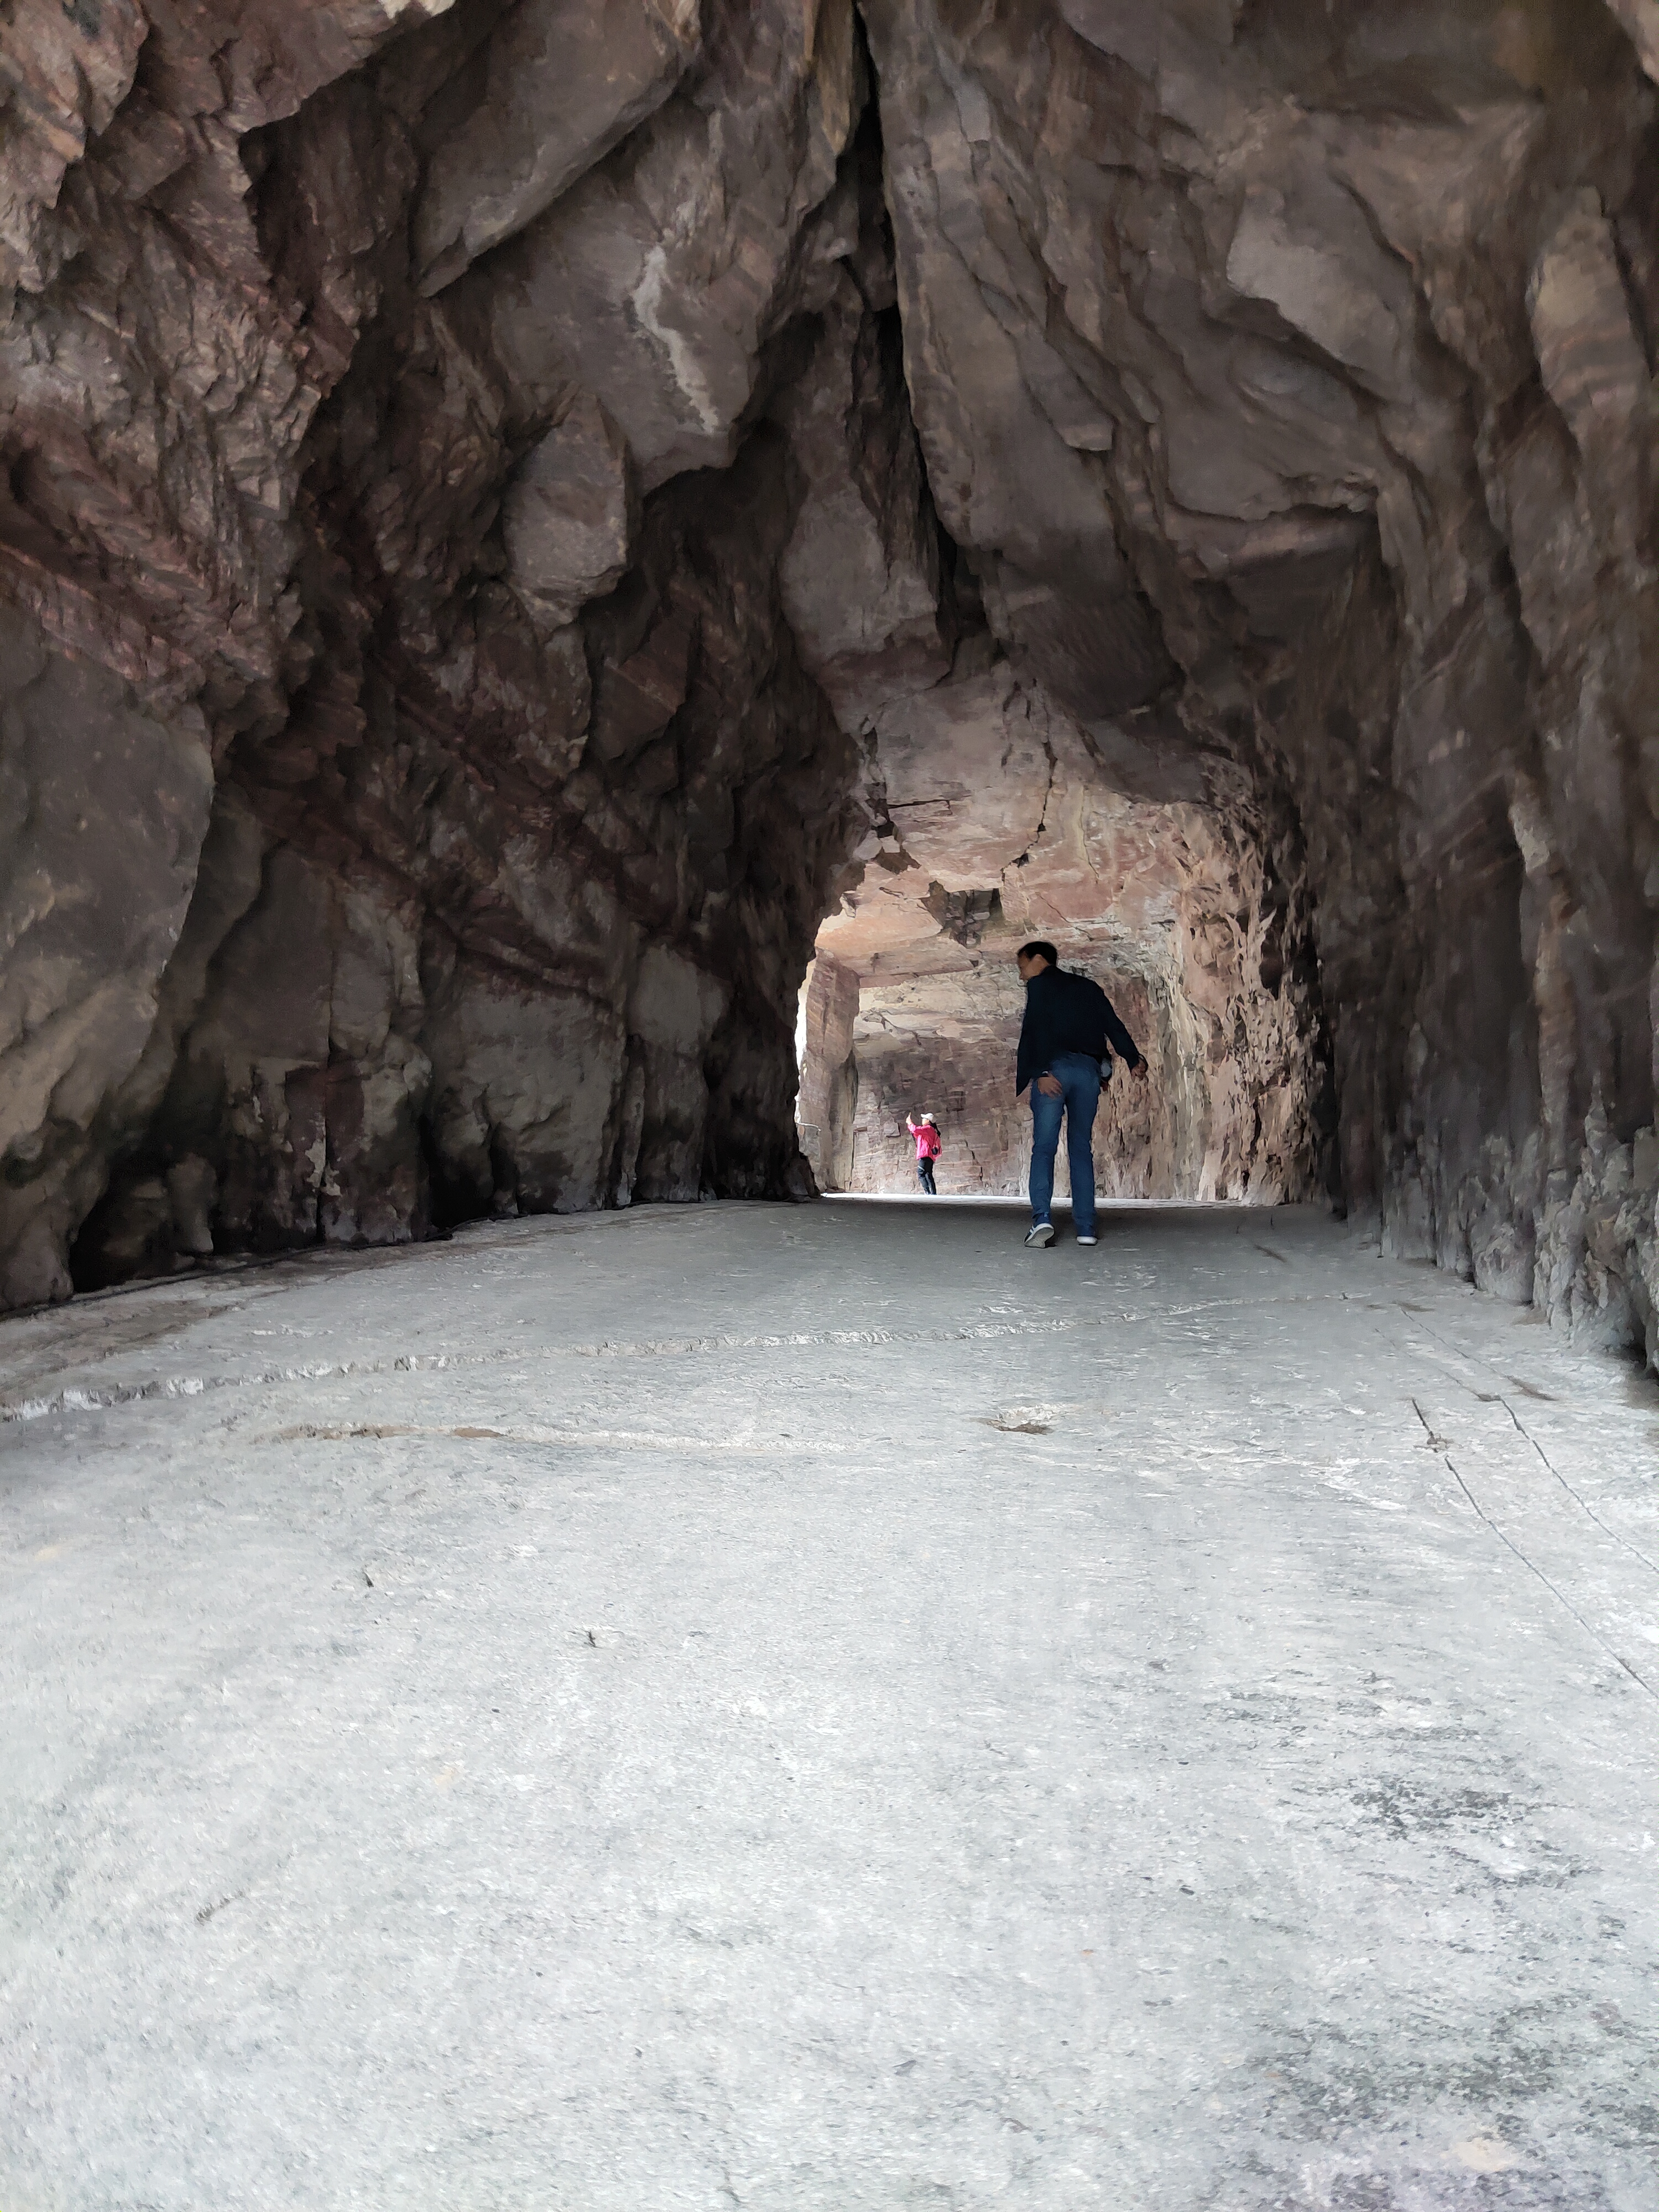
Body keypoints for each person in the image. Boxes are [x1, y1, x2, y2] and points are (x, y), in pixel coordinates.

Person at [1014, 941, 1147, 1249]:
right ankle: (1086, 1228)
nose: (1022, 975)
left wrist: (1039, 1073)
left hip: (1054, 1072)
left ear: (1039, 959)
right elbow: (1111, 1025)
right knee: (1080, 1149)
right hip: (1088, 1074)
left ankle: (1042, 1220)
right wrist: (1131, 1058)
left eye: (1023, 966)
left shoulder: (1039, 987)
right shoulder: (1088, 987)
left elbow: (1032, 1032)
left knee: (1045, 1149)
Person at [905, 1110, 942, 1194]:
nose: (922, 1120)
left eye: (924, 1118)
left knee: (921, 1173)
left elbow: (915, 1129)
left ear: (928, 1121)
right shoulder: (931, 1130)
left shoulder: (928, 1129)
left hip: (925, 1155)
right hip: (930, 1156)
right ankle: (933, 1194)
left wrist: (910, 1123)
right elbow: (916, 1133)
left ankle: (928, 1192)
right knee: (928, 1175)